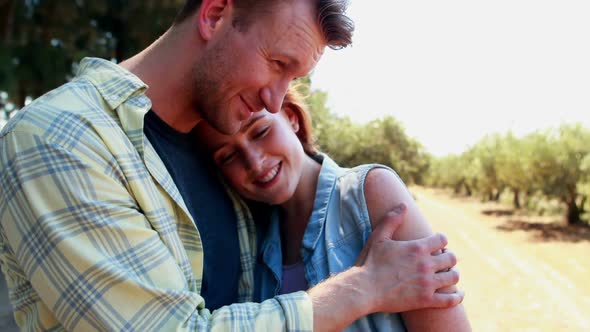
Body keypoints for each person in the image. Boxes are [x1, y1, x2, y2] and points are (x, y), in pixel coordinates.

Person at [0, 0, 463, 330]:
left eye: (293, 78)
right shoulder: (63, 137)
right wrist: (362, 288)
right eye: (277, 62)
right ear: (216, 13)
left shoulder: (221, 160)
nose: (275, 98)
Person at [196, 87, 471, 331]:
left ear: (291, 117)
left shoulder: (370, 192)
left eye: (261, 131)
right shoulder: (252, 238)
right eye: (228, 156)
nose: (254, 163)